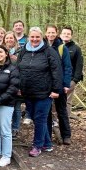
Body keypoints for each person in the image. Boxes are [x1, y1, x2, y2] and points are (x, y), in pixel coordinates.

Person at [16, 27, 62, 157]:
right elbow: (18, 69)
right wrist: (18, 86)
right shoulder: (24, 51)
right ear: (29, 37)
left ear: (42, 37)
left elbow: (57, 71)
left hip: (45, 92)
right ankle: (47, 144)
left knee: (40, 119)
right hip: (28, 92)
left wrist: (56, 90)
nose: (34, 39)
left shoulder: (49, 51)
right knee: (37, 119)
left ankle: (37, 146)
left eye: (37, 37)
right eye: (32, 37)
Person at [45, 25, 72, 146]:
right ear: (45, 33)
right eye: (49, 32)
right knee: (47, 111)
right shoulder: (43, 46)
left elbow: (67, 67)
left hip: (60, 83)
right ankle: (48, 136)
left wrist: (66, 84)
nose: (50, 35)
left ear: (56, 33)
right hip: (46, 84)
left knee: (62, 110)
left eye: (53, 32)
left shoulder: (62, 48)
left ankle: (66, 135)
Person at [60, 26, 84, 121]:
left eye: (68, 34)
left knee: (67, 101)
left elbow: (79, 65)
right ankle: (55, 122)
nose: (66, 35)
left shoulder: (76, 48)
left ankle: (65, 121)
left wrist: (75, 80)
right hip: (57, 78)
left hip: (70, 79)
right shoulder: (56, 46)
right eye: (64, 33)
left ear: (71, 36)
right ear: (60, 34)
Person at [4, 31, 23, 137]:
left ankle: (15, 128)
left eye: (11, 38)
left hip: (17, 83)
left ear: (15, 40)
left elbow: (23, 68)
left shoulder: (20, 51)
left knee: (16, 107)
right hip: (4, 84)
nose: (9, 40)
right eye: (7, 38)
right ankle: (6, 128)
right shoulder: (1, 51)